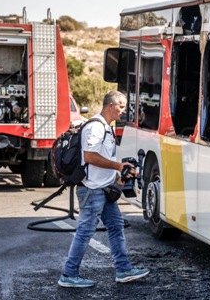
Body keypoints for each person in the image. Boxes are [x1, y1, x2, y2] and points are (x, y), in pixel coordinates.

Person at [59, 91, 149, 288]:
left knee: (116, 226)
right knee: (85, 231)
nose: (124, 111)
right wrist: (118, 167)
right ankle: (69, 274)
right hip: (92, 190)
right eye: (122, 106)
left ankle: (123, 270)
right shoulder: (96, 128)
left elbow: (100, 158)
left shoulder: (106, 128)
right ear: (111, 106)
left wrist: (118, 176)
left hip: (104, 189)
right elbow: (90, 157)